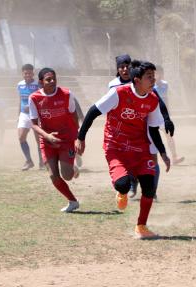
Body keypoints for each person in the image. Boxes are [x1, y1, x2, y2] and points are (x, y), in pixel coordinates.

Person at [76, 61, 171, 239]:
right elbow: (93, 111)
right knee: (123, 184)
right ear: (137, 80)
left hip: (140, 148)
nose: (153, 80)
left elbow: (152, 129)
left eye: (154, 76)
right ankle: (121, 192)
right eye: (149, 77)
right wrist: (80, 137)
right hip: (116, 146)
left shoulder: (152, 100)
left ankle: (141, 227)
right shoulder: (118, 93)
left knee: (149, 186)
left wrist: (163, 153)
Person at [107, 55, 176, 200]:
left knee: (152, 158)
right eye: (122, 66)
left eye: (128, 66)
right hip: (124, 132)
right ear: (118, 69)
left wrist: (167, 118)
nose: (125, 69)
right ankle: (131, 185)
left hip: (145, 128)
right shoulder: (114, 85)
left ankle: (152, 191)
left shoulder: (144, 84)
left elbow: (158, 100)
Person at [29, 67, 81, 213]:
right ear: (41, 82)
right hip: (47, 140)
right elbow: (33, 124)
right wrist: (47, 136)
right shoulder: (34, 98)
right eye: (48, 79)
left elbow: (74, 116)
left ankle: (72, 168)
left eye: (54, 78)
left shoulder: (66, 94)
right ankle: (72, 201)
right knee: (53, 175)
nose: (52, 81)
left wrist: (78, 137)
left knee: (67, 176)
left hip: (66, 139)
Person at [155, 64, 185, 165]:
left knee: (169, 135)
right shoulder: (149, 85)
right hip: (152, 115)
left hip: (162, 115)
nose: (157, 75)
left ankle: (174, 157)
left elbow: (166, 99)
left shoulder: (165, 84)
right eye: (155, 73)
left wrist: (167, 113)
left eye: (159, 73)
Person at [17, 64, 43, 170]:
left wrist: (33, 105)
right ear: (22, 73)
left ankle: (42, 161)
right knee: (21, 137)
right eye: (25, 73)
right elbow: (20, 100)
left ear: (33, 73)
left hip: (35, 115)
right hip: (24, 115)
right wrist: (18, 114)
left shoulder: (38, 84)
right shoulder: (20, 84)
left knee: (38, 140)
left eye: (29, 73)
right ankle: (29, 161)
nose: (27, 75)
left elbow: (43, 99)